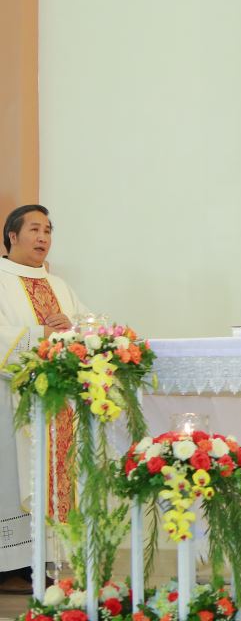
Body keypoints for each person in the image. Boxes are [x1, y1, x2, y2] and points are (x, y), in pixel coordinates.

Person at [0, 205, 88, 594]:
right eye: (34, 229)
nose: (43, 238)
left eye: (48, 231)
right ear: (12, 236)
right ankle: (7, 566)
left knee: (49, 478)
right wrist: (42, 334)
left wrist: (72, 327)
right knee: (9, 479)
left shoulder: (59, 285)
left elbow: (88, 326)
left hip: (56, 404)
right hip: (9, 400)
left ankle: (38, 561)